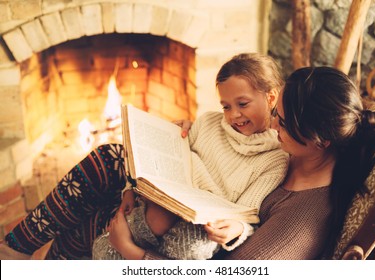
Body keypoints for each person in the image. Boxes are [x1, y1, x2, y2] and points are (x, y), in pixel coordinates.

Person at [0, 53, 288, 260]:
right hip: (157, 199)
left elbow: (248, 214)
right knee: (108, 156)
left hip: (194, 225)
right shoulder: (210, 123)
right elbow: (172, 157)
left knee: (88, 227)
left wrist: (236, 229)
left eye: (242, 104)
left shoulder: (275, 157)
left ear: (271, 97)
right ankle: (17, 247)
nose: (233, 115)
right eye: (226, 105)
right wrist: (130, 187)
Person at [104, 66, 375, 260]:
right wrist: (188, 136)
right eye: (276, 112)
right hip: (172, 222)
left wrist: (131, 252)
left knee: (98, 227)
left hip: (175, 251)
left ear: (321, 141)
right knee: (108, 160)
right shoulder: (297, 155)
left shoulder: (303, 221)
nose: (272, 124)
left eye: (283, 122)